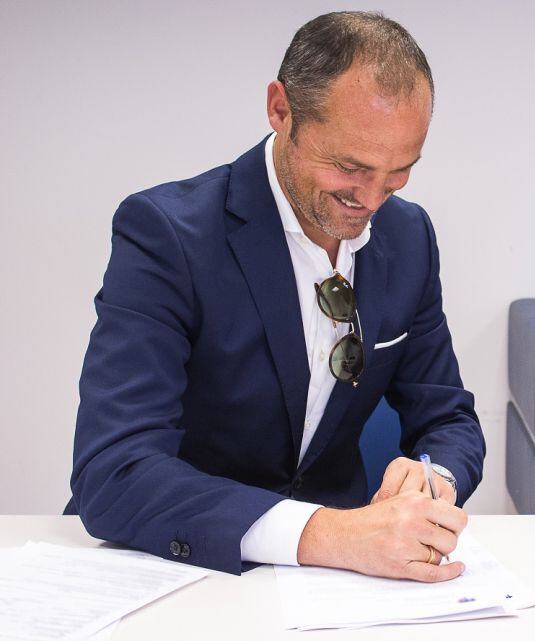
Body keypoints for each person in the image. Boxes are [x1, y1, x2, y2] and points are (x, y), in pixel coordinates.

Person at [66, 11, 485, 582]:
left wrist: (433, 478)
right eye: (349, 167)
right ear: (281, 109)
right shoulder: (167, 234)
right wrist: (329, 535)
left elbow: (449, 418)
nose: (371, 201)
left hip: (340, 586)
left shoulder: (409, 238)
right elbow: (115, 471)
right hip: (175, 564)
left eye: (398, 174)